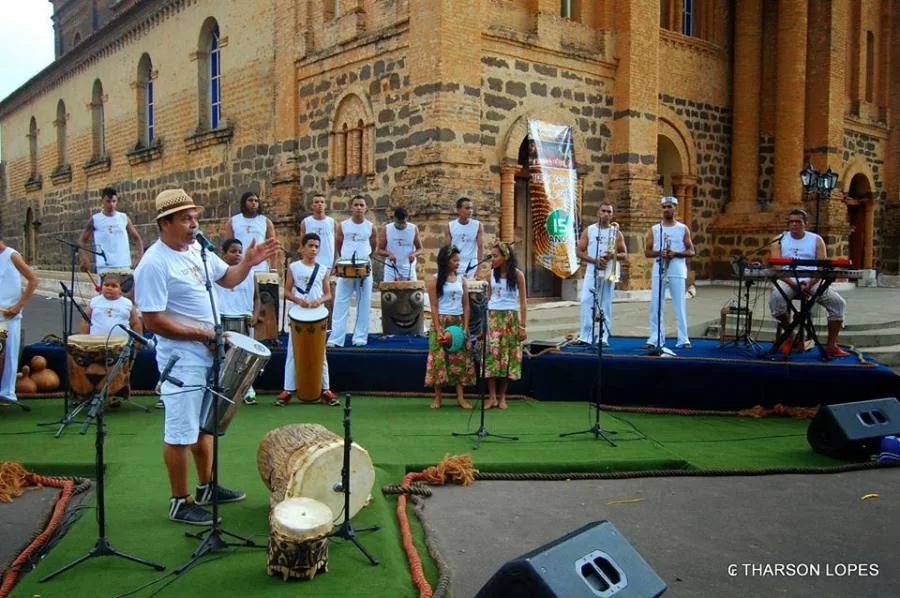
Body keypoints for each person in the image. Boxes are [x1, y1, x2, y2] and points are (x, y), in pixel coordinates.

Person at [134, 188, 280, 525]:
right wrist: (203, 334)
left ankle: (207, 487)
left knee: (205, 425)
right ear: (165, 223)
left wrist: (248, 262)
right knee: (180, 431)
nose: (194, 224)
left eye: (195, 217)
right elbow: (153, 320)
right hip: (181, 360)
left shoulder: (197, 249)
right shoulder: (154, 264)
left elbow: (227, 279)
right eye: (186, 219)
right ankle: (179, 500)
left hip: (207, 352)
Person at [768, 209, 849, 357]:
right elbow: (777, 268)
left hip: (812, 280)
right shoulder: (779, 239)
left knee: (838, 303)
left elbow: (821, 268)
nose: (794, 224)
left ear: (806, 223)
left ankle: (831, 345)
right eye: (791, 221)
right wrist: (794, 284)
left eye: (798, 221)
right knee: (776, 300)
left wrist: (809, 284)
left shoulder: (816, 240)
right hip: (788, 279)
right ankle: (790, 334)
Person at [275, 233, 339, 407]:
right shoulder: (294, 267)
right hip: (299, 313)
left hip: (317, 313)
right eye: (310, 245)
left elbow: (328, 294)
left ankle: (325, 389)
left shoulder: (322, 269)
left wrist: (320, 300)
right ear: (302, 248)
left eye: (316, 246)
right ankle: (288, 389)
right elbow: (287, 291)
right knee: (292, 351)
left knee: (320, 353)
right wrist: (299, 300)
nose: (313, 249)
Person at [424, 245, 474, 410]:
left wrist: (465, 326)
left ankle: (460, 397)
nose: (458, 263)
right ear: (445, 261)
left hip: (458, 321)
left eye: (458, 260)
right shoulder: (435, 279)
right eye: (454, 260)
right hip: (442, 321)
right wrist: (438, 329)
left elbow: (466, 305)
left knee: (459, 360)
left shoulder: (462, 280)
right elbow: (434, 306)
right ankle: (438, 398)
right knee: (440, 359)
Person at [644, 196, 695, 350]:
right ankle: (655, 338)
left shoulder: (682, 228)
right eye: (664, 207)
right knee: (656, 305)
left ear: (675, 208)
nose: (667, 209)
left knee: (679, 304)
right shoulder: (655, 229)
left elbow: (691, 250)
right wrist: (661, 253)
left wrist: (675, 254)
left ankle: (683, 338)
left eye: (670, 207)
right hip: (659, 269)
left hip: (677, 269)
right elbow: (647, 251)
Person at [214, 239, 260, 404]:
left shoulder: (251, 272)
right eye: (233, 251)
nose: (238, 254)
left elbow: (256, 297)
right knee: (222, 356)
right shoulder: (217, 272)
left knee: (245, 357)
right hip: (223, 316)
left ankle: (247, 390)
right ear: (224, 254)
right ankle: (220, 388)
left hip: (244, 318)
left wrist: (255, 314)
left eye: (240, 251)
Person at [327, 195, 376, 347]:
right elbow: (339, 244)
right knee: (341, 302)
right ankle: (336, 338)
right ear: (351, 207)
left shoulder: (371, 226)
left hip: (364, 268)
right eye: (356, 205)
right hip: (346, 268)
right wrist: (343, 261)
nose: (359, 208)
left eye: (362, 205)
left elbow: (374, 246)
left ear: (366, 208)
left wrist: (365, 259)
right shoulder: (343, 225)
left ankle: (360, 337)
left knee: (364, 301)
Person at [483, 242, 527, 410]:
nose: (492, 259)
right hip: (493, 317)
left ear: (506, 257)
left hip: (510, 318)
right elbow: (488, 298)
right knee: (492, 356)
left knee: (507, 357)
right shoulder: (490, 275)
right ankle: (492, 396)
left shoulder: (517, 275)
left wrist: (523, 326)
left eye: (495, 256)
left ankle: (503, 397)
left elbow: (523, 302)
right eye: (492, 256)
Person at [576, 203, 627, 346]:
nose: (606, 214)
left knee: (605, 304)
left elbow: (624, 254)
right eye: (603, 211)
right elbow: (579, 251)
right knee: (586, 301)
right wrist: (595, 261)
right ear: (598, 212)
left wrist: (613, 255)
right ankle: (585, 336)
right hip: (592, 271)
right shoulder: (589, 230)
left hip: (608, 271)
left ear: (612, 215)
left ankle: (603, 337)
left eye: (609, 212)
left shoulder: (616, 232)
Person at [0, 235, 39, 411]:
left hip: (8, 317)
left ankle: (7, 393)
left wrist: (18, 306)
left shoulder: (11, 255)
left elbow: (33, 279)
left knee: (8, 353)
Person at [79, 187, 144, 273]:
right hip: (104, 267)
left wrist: (141, 257)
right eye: (108, 201)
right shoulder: (95, 219)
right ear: (102, 201)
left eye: (114, 201)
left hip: (123, 265)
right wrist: (84, 257)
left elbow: (137, 238)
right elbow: (82, 240)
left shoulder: (123, 218)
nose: (111, 204)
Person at [223, 191, 277, 272]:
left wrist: (273, 269)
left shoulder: (265, 221)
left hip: (260, 267)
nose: (254, 203)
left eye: (256, 201)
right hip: (239, 266)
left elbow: (272, 247)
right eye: (250, 200)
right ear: (244, 202)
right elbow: (227, 246)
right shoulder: (233, 221)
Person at [80, 272, 142, 337]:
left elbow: (135, 323)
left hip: (121, 344)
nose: (109, 288)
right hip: (96, 343)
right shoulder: (94, 301)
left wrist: (139, 341)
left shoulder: (127, 303)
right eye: (106, 285)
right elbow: (85, 321)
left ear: (120, 289)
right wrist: (84, 339)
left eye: (114, 286)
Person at [378, 207, 422, 281]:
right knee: (390, 290)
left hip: (408, 268)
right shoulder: (387, 229)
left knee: (411, 290)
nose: (401, 225)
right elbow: (379, 250)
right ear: (394, 218)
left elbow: (420, 248)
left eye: (403, 223)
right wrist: (389, 254)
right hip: (391, 268)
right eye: (398, 223)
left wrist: (414, 254)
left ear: (406, 218)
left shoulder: (413, 228)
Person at [445, 197, 484, 279]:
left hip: (472, 265)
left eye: (471, 208)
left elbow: (480, 247)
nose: (470, 211)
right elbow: (447, 249)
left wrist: (479, 268)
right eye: (467, 208)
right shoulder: (450, 226)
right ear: (458, 210)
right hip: (456, 264)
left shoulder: (478, 225)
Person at [299, 193, 337, 269]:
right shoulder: (305, 222)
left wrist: (336, 262)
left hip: (328, 262)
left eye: (322, 202)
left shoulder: (333, 222)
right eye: (316, 202)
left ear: (325, 205)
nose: (320, 204)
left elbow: (337, 244)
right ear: (312, 206)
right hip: (310, 262)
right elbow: (302, 244)